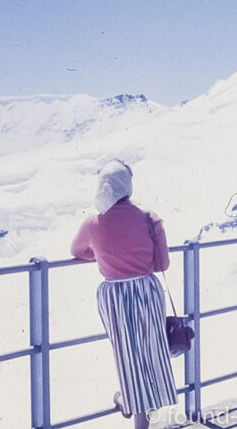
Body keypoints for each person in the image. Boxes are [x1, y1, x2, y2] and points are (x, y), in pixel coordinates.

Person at [71, 160, 177, 429]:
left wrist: (104, 255)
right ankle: (136, 409)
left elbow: (76, 250)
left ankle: (127, 399)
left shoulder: (93, 223)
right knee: (150, 353)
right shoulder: (149, 218)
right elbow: (162, 264)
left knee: (128, 356)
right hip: (147, 291)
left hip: (115, 297)